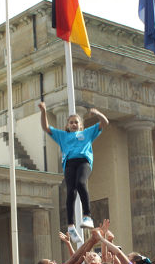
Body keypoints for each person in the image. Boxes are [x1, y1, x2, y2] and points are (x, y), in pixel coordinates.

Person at [38, 101, 109, 246]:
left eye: (76, 122)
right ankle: (70, 226)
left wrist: (97, 114)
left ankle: (87, 216)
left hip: (83, 162)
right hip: (69, 163)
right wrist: (44, 111)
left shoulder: (87, 133)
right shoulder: (62, 136)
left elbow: (105, 122)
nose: (74, 124)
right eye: (71, 122)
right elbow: (45, 127)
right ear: (68, 125)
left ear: (81, 125)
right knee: (70, 191)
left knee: (81, 183)